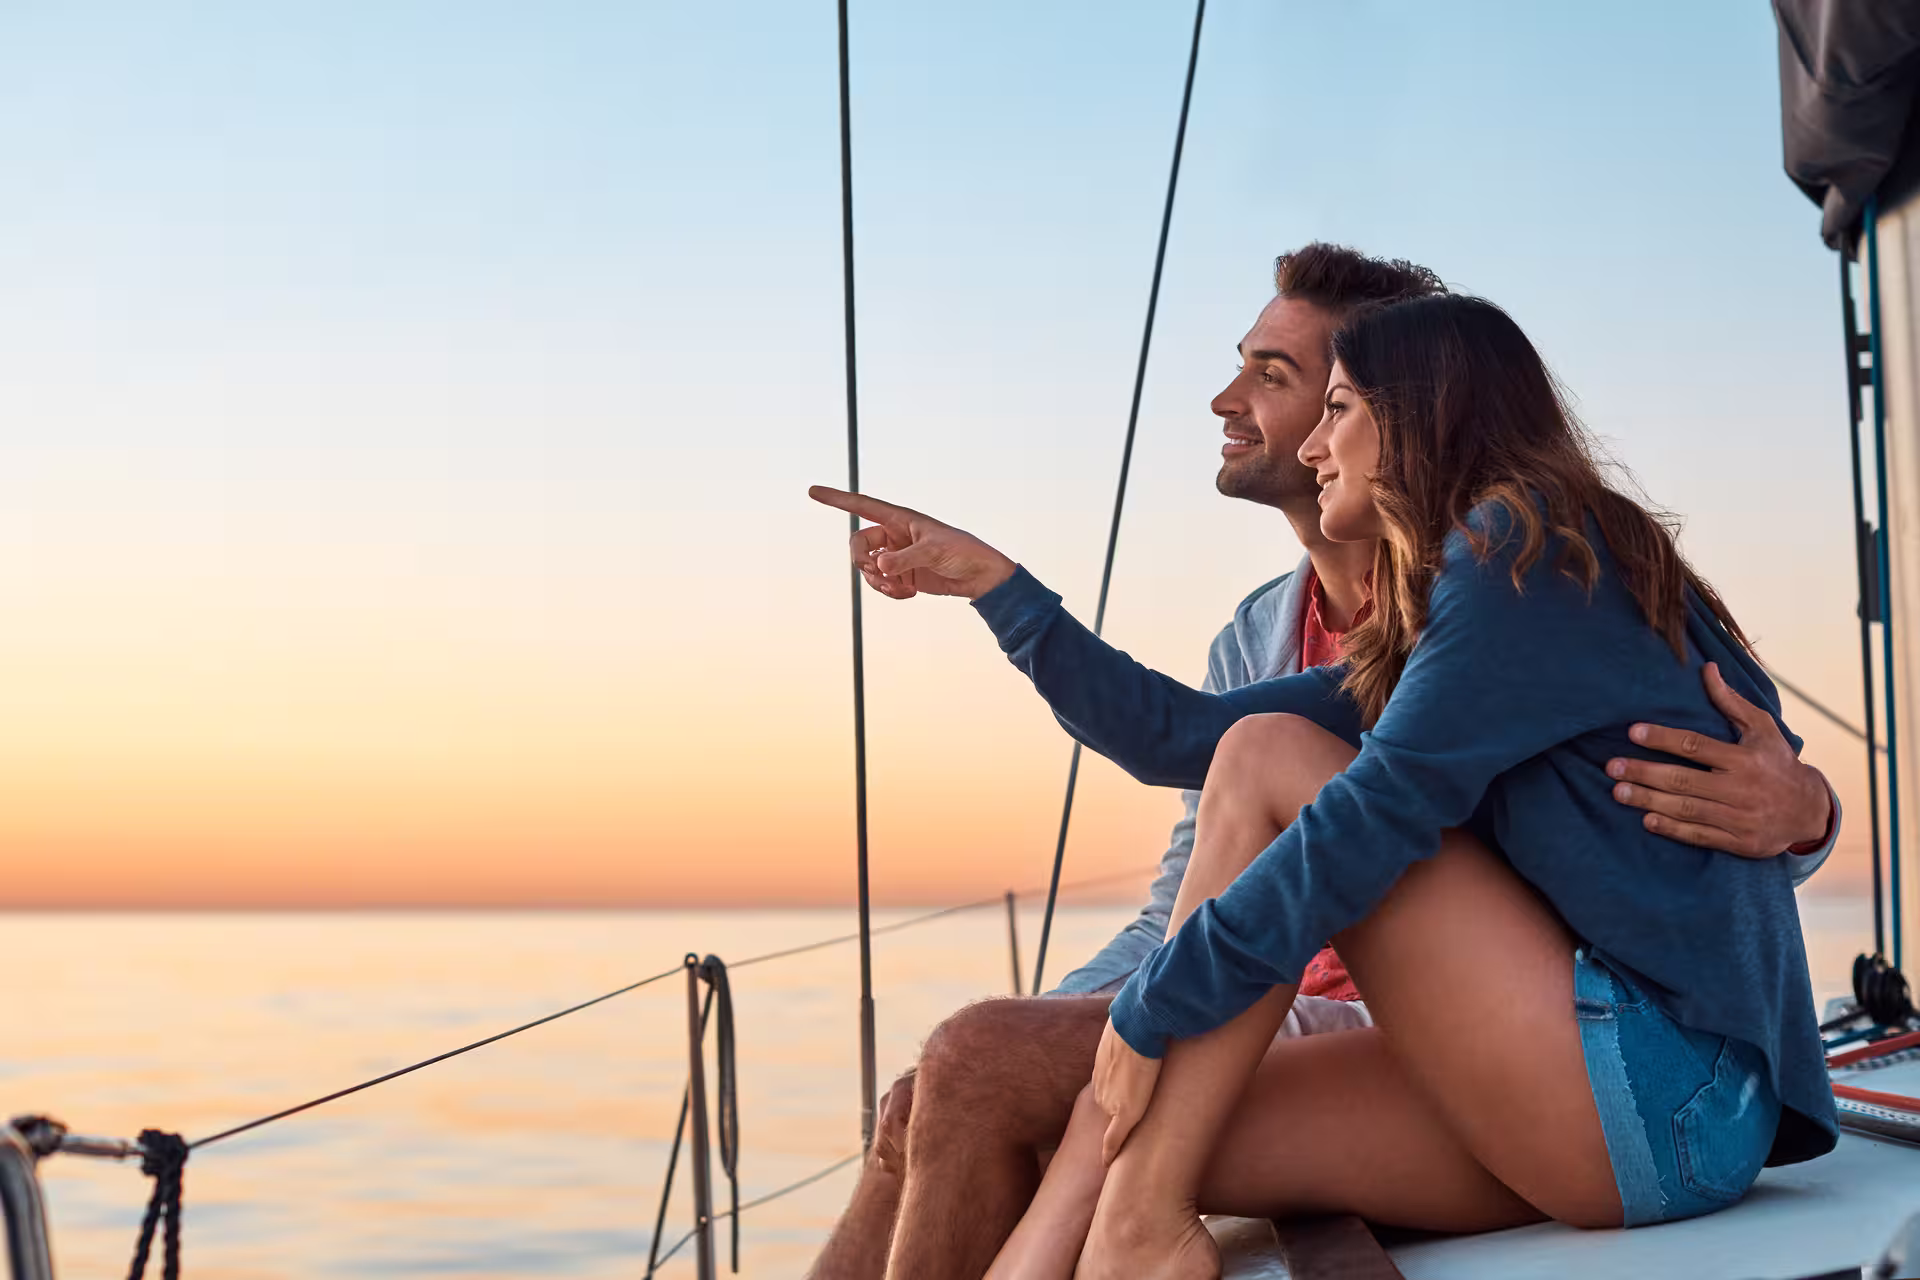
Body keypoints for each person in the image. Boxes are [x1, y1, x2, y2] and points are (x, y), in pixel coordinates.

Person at [804, 252, 1839, 1280]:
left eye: (1335, 407)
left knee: (1266, 759)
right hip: (1617, 1112)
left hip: (1660, 1088)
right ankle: (1127, 1231)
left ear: (1418, 415)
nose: (1314, 448)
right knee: (1107, 1108)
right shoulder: (1438, 616)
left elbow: (1371, 815)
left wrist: (1157, 1004)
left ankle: (1137, 1233)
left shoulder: (1520, 550)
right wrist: (1003, 590)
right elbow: (1175, 734)